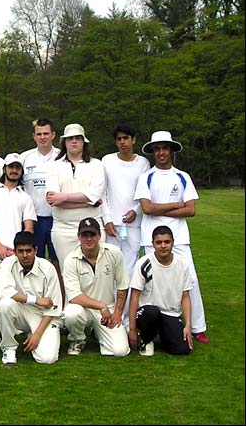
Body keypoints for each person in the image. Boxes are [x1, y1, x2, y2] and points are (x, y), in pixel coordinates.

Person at [134, 130, 209, 343]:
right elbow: (147, 208)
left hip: (179, 237)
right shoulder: (146, 177)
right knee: (154, 284)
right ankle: (156, 326)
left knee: (190, 280)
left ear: (171, 150)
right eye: (157, 149)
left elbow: (191, 210)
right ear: (153, 152)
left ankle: (197, 326)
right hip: (151, 238)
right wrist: (177, 204)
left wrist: (162, 209)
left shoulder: (182, 176)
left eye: (164, 148)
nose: (161, 152)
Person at [0, 153, 37, 344]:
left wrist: (20, 249)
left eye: (17, 168)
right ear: (4, 169)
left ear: (21, 172)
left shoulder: (25, 197)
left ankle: (11, 326)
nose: (13, 171)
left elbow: (28, 226)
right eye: (11, 167)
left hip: (15, 252)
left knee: (12, 288)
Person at [101, 125, 150, 327]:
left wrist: (135, 211)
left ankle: (127, 319)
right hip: (111, 227)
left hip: (133, 227)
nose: (123, 142)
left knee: (129, 272)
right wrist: (107, 219)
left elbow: (145, 193)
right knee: (110, 271)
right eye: (119, 139)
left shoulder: (143, 163)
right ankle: (109, 316)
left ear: (134, 140)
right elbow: (102, 193)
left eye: (126, 138)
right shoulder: (107, 161)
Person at [62, 217, 130, 357]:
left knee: (120, 351)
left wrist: (117, 313)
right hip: (83, 309)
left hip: (108, 311)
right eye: (84, 235)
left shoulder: (114, 252)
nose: (89, 239)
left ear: (99, 235)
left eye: (92, 235)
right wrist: (101, 306)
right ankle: (77, 339)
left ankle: (98, 333)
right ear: (78, 237)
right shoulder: (70, 260)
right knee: (71, 313)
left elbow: (123, 285)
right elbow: (74, 296)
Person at [45, 123, 105, 273]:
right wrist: (88, 202)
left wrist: (64, 197)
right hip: (63, 229)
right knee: (68, 273)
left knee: (95, 272)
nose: (74, 141)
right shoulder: (55, 166)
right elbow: (52, 200)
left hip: (93, 227)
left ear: (83, 142)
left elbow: (95, 194)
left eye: (78, 138)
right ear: (64, 142)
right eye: (70, 138)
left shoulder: (96, 165)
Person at [0, 231, 63, 365]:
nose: (25, 255)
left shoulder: (48, 268)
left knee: (47, 359)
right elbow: (5, 291)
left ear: (36, 250)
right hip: (20, 310)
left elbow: (53, 308)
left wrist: (37, 334)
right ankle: (9, 348)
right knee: (4, 305)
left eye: (28, 251)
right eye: (20, 251)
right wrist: (36, 300)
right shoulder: (8, 264)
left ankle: (33, 334)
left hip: (43, 315)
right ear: (14, 252)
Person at [128, 226, 193, 356]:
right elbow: (135, 296)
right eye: (159, 242)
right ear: (153, 244)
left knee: (182, 350)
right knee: (151, 312)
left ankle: (163, 336)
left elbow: (185, 296)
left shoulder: (183, 264)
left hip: (171, 313)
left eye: (167, 242)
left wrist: (188, 326)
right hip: (147, 312)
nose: (163, 246)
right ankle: (146, 340)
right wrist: (132, 329)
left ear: (173, 242)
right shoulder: (144, 263)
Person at [21, 119, 62, 297]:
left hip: (57, 218)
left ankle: (61, 302)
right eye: (39, 134)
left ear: (53, 135)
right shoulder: (25, 158)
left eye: (46, 133)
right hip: (34, 220)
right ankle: (37, 299)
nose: (43, 137)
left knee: (57, 262)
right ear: (34, 136)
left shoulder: (62, 156)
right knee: (33, 262)